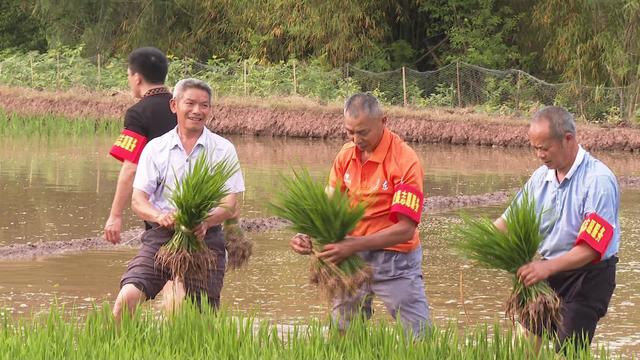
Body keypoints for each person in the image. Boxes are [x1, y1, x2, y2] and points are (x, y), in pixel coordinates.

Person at [290, 93, 431, 336]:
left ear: (383, 121)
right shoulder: (346, 156)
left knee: (418, 336)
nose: (356, 140)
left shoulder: (405, 161)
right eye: (349, 132)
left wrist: (352, 245)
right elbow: (329, 205)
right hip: (352, 255)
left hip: (395, 259)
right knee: (343, 331)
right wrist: (308, 234)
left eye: (363, 132)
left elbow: (405, 229)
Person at [112, 78, 245, 319]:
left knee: (199, 319)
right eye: (190, 103)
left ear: (210, 110)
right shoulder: (155, 148)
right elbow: (138, 200)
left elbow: (229, 204)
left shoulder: (223, 149)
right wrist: (159, 216)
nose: (197, 110)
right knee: (126, 299)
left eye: (204, 105)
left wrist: (204, 221)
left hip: (206, 238)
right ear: (174, 105)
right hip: (161, 236)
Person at [495, 106, 620, 351]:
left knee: (567, 352)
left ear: (568, 139)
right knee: (521, 348)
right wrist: (484, 241)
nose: (539, 155)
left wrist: (546, 267)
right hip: (548, 272)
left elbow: (592, 249)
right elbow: (508, 222)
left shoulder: (598, 180)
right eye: (535, 148)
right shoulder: (541, 178)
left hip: (588, 276)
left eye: (544, 148)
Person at [104, 47, 177, 244]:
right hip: (192, 199)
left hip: (159, 207)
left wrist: (115, 216)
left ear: (137, 78)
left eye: (128, 75)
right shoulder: (183, 106)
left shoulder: (138, 113)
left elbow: (131, 167)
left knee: (160, 262)